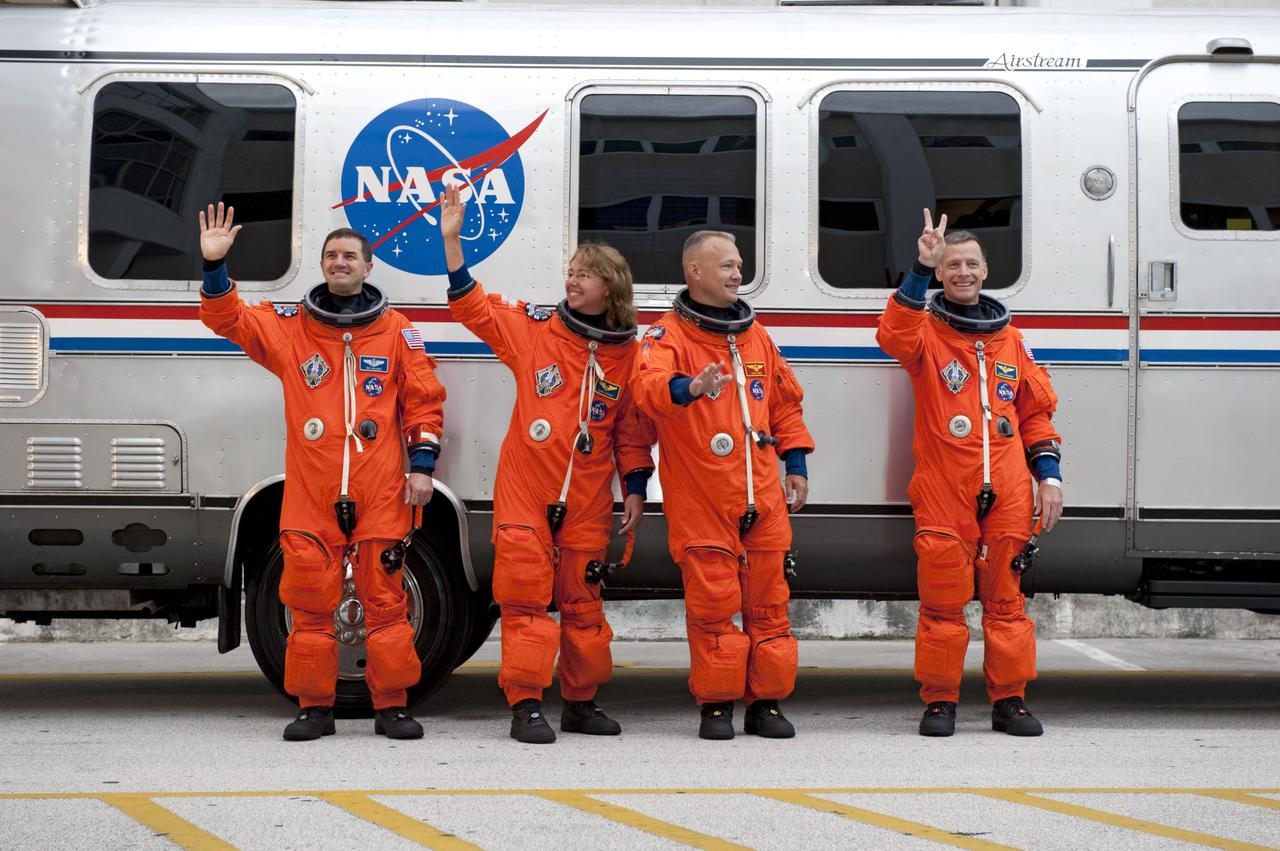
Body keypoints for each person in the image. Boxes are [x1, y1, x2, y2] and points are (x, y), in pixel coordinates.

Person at [197, 203, 446, 741]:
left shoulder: (398, 332)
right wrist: (215, 265)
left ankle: (392, 707)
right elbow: (228, 319)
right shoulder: (293, 330)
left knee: (386, 603)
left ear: (368, 266)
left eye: (350, 256)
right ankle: (314, 707)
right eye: (332, 255)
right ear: (322, 264)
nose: (340, 262)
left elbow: (424, 404)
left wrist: (423, 467)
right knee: (309, 604)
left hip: (381, 490)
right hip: (312, 493)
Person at [436, 184, 656, 744]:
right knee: (526, 597)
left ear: (610, 287)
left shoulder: (630, 355)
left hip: (586, 497)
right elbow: (472, 308)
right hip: (527, 491)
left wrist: (634, 487)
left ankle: (580, 703)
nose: (571, 281)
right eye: (570, 272)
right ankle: (527, 705)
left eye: (584, 274)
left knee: (583, 602)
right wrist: (453, 243)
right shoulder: (536, 331)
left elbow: (631, 431)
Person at [876, 210, 1064, 738]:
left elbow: (1035, 414)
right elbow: (892, 335)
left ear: (986, 270)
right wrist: (919, 266)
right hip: (944, 487)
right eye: (952, 264)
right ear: (941, 273)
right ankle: (940, 702)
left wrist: (1049, 477)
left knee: (1006, 602)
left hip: (1007, 487)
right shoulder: (925, 334)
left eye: (971, 263)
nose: (963, 272)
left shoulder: (1012, 340)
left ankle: (1010, 701)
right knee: (942, 601)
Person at [631, 230, 814, 740]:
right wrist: (691, 386)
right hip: (702, 497)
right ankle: (716, 707)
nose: (739, 274)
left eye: (739, 265)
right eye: (728, 266)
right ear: (695, 271)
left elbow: (784, 404)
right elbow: (647, 390)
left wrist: (796, 464)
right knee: (712, 607)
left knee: (769, 606)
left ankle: (765, 704)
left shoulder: (756, 337)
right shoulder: (666, 336)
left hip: (763, 496)